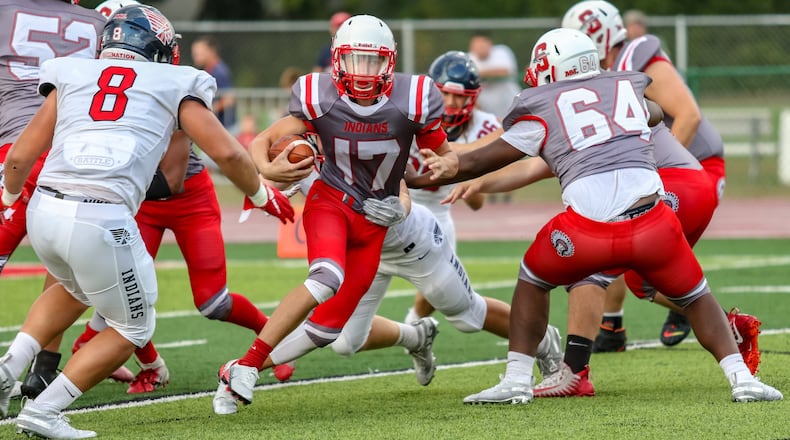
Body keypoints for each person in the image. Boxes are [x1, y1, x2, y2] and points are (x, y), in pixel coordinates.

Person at [408, 27, 781, 405]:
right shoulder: (626, 87)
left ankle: (518, 381)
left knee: (533, 276)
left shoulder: (544, 106)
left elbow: (484, 158)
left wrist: (429, 171)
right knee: (696, 295)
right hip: (655, 223)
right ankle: (742, 379)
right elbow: (653, 113)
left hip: (590, 233)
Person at [0, 5, 294, 438]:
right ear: (159, 49)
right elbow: (228, 152)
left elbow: (21, 155)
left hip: (44, 208)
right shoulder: (174, 80)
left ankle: (7, 369)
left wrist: (9, 197)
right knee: (134, 326)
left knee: (71, 288)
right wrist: (260, 194)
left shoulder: (72, 72)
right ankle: (44, 411)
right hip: (101, 215)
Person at [213, 14, 458, 408]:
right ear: (337, 59)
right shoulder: (318, 94)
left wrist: (443, 171)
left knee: (329, 331)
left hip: (375, 222)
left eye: (372, 61)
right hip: (332, 202)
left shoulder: (413, 98)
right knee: (326, 277)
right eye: (354, 60)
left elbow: (445, 156)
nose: (362, 71)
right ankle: (248, 367)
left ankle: (239, 368)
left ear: (389, 62)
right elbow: (264, 139)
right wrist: (266, 167)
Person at [563, 0, 727, 349]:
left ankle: (718, 322)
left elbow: (688, 115)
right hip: (676, 173)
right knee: (618, 236)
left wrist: (646, 176)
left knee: (641, 270)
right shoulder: (604, 76)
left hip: (693, 169)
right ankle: (612, 327)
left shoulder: (636, 53)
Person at [0, 0, 115, 401]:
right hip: (74, 159)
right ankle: (43, 371)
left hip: (17, 151)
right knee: (66, 269)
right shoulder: (99, 23)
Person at [403, 50, 494, 324]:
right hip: (399, 202)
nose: (453, 103)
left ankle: (413, 328)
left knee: (442, 294)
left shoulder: (484, 127)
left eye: (461, 97)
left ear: (473, 97)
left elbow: (478, 204)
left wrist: (463, 167)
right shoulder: (410, 112)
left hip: (438, 214)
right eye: (447, 94)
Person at [466, 31, 521, 120]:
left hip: (512, 109)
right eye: (476, 45)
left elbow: (504, 71)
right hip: (487, 115)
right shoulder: (468, 58)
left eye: (482, 44)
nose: (480, 48)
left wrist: (477, 74)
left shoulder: (502, 52)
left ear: (490, 44)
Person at [191, 35, 236, 131]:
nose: (196, 56)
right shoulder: (208, 71)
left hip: (226, 127)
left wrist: (209, 110)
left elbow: (229, 99)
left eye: (199, 53)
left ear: (211, 51)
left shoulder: (219, 72)